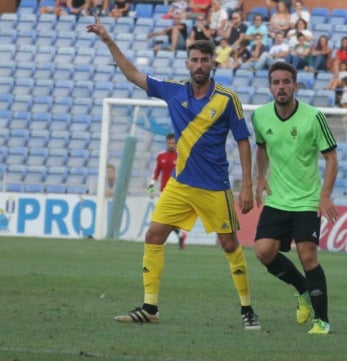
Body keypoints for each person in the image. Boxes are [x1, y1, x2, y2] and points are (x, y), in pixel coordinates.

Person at [87, 15, 261, 330]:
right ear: (186, 63)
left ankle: (247, 309)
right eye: (194, 59)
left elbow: (243, 141)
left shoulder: (226, 99)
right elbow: (133, 75)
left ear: (212, 65)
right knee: (154, 235)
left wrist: (247, 184)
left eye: (204, 60)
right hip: (180, 185)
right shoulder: (172, 92)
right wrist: (109, 41)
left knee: (230, 244)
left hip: (213, 187)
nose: (198, 65)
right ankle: (150, 307)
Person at [252, 61, 339, 335]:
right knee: (263, 251)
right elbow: (261, 148)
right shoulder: (260, 116)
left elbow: (331, 156)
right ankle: (302, 289)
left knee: (307, 255)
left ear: (295, 86)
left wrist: (325, 195)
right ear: (270, 87)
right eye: (276, 82)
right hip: (277, 199)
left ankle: (322, 320)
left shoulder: (313, 117)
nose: (281, 87)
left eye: (286, 82)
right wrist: (260, 177)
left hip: (306, 200)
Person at [148, 133, 188, 250]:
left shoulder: (180, 156)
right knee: (163, 218)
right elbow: (156, 172)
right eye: (169, 143)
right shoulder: (161, 156)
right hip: (163, 192)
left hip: (176, 192)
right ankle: (180, 235)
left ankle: (162, 240)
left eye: (173, 143)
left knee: (164, 218)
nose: (171, 145)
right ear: (166, 143)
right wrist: (151, 185)